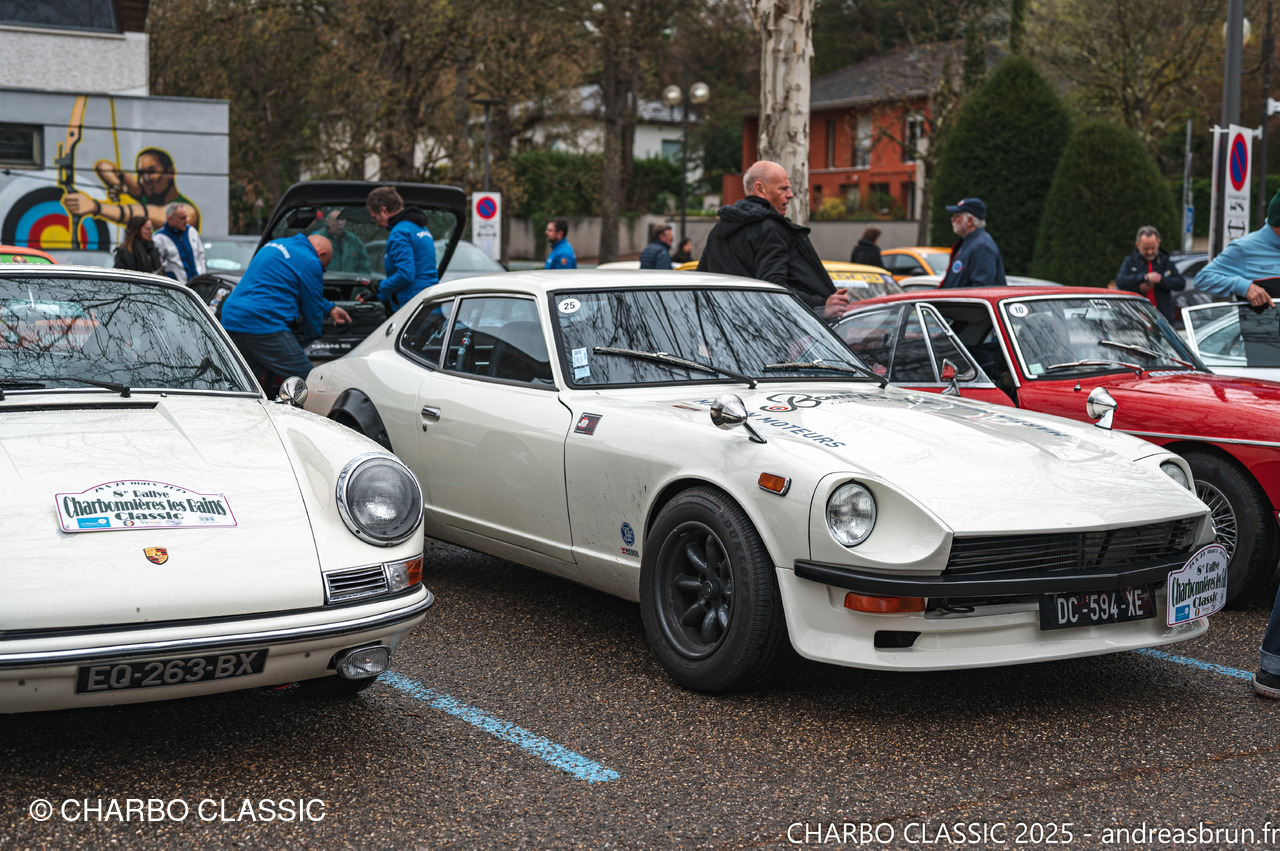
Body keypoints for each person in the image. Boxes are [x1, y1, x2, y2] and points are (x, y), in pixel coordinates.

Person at [697, 160, 849, 319]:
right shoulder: (770, 228)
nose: (790, 195)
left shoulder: (720, 228)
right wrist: (821, 306)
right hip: (764, 327)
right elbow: (773, 288)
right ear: (759, 189)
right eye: (783, 188)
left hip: (723, 325)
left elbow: (702, 279)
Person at [219, 233, 352, 381]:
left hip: (231, 319)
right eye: (323, 268)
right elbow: (312, 307)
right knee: (308, 382)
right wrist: (313, 336)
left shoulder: (275, 244)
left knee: (245, 384)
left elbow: (279, 285)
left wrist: (329, 308)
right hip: (263, 324)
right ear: (322, 254)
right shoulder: (311, 261)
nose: (321, 270)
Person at [63, 148, 201, 231]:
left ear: (170, 172)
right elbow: (103, 166)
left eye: (151, 171)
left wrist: (95, 207)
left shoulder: (188, 211)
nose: (145, 179)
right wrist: (116, 184)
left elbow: (147, 214)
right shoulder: (146, 194)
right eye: (141, 173)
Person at [1194, 188, 1280, 309]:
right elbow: (1203, 279)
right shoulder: (1244, 248)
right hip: (1260, 321)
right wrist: (1243, 286)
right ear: (1277, 225)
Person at [362, 186, 439, 312]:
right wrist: (379, 296)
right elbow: (421, 274)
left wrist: (378, 287)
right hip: (430, 301)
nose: (378, 224)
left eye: (375, 217)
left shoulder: (399, 232)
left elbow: (405, 275)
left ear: (383, 210)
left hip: (412, 306)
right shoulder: (421, 228)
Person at [1115, 226, 1185, 321]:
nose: (1150, 252)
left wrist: (1160, 280)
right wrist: (1143, 278)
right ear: (1137, 245)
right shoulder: (1131, 261)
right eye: (1146, 248)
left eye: (1153, 248)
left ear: (1159, 242)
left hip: (1163, 318)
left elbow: (1181, 283)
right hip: (1137, 319)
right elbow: (1120, 281)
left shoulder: (1165, 261)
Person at [939, 197, 1007, 288]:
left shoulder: (981, 246)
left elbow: (982, 288)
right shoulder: (970, 243)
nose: (952, 219)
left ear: (970, 220)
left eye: (957, 216)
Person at [152, 202, 207, 283]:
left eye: (186, 217)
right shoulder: (159, 238)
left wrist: (203, 275)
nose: (186, 221)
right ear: (170, 218)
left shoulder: (191, 231)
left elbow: (201, 255)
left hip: (198, 284)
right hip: (178, 287)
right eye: (182, 218)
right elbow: (156, 267)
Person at [313, 209, 370, 274]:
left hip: (350, 279)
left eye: (342, 220)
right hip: (326, 279)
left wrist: (361, 278)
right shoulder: (318, 240)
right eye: (336, 220)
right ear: (328, 222)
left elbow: (364, 265)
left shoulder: (353, 241)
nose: (340, 223)